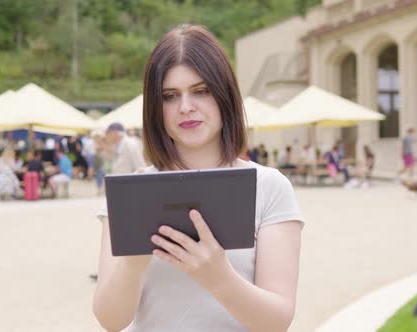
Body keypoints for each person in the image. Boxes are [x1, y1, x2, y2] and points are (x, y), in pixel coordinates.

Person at [93, 24, 304, 332]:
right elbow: (110, 320)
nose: (186, 107)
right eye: (169, 96)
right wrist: (134, 257)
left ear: (224, 95)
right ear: (155, 107)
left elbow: (276, 322)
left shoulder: (269, 187)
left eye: (201, 91)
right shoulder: (131, 192)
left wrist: (219, 277)